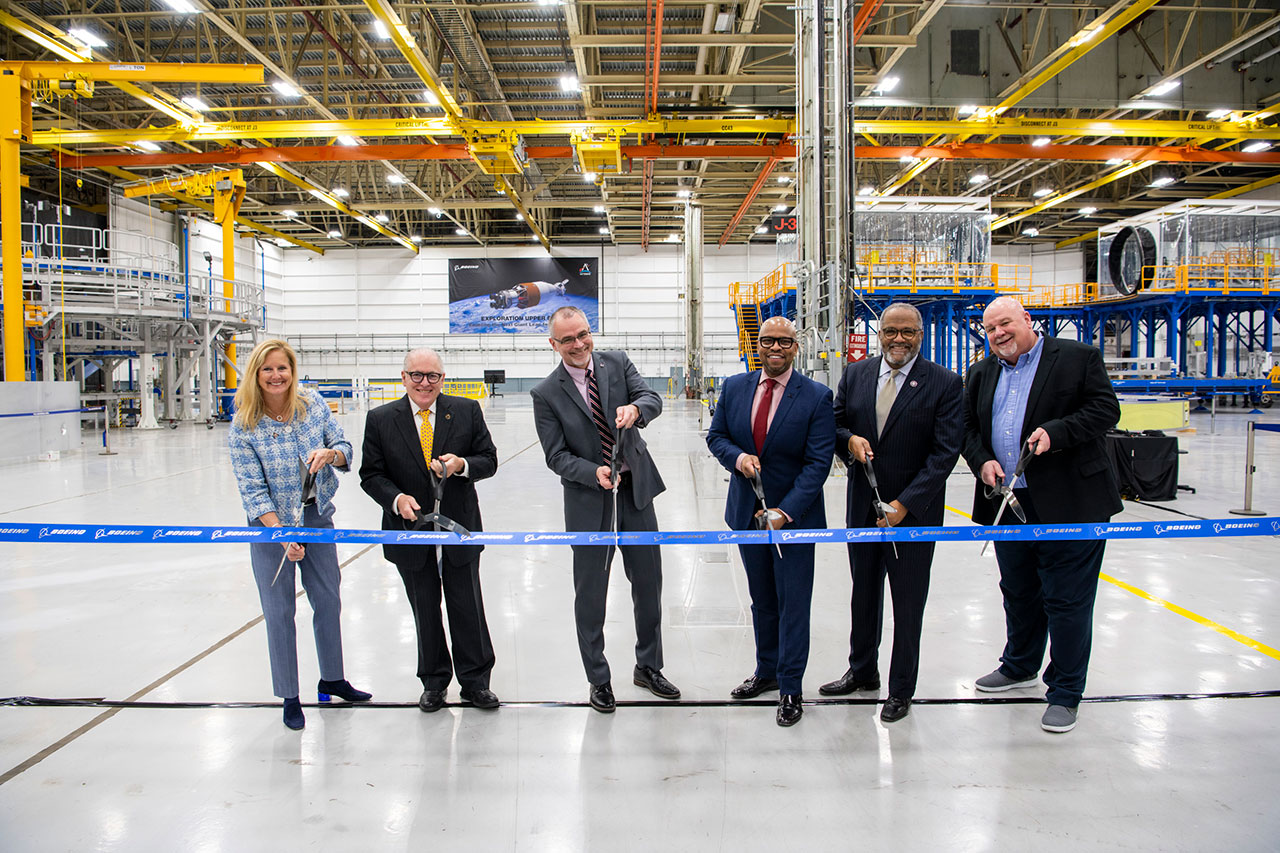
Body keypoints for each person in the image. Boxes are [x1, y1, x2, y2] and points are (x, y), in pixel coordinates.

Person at [962, 296, 1122, 734]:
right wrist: (981, 462)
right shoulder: (981, 372)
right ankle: (1019, 665)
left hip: (1071, 502)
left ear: (1027, 320)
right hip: (1008, 502)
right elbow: (968, 428)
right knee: (1018, 589)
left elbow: (1106, 410)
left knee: (1067, 599)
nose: (999, 333)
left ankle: (1066, 692)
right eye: (991, 327)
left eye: (1006, 323)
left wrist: (1056, 432)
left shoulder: (1077, 358)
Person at [530, 306, 679, 713]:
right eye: (567, 340)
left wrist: (637, 410)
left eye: (582, 334)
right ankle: (598, 678)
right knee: (590, 594)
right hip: (588, 500)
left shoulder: (616, 362)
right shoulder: (545, 392)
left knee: (649, 585)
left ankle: (648, 666)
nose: (578, 344)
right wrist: (591, 472)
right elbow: (555, 455)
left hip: (635, 493)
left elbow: (650, 396)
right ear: (553, 344)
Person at [819, 303, 963, 723]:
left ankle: (901, 688)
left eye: (908, 332)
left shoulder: (945, 383)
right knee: (863, 593)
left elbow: (944, 453)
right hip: (862, 506)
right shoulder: (857, 373)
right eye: (891, 332)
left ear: (921, 334)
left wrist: (904, 505)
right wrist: (848, 441)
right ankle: (862, 671)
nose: (899, 339)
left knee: (908, 601)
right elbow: (836, 421)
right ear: (879, 333)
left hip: (914, 514)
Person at [228, 339, 371, 731]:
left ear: (292, 371)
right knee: (280, 611)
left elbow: (344, 446)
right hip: (269, 525)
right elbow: (252, 490)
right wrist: (280, 535)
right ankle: (290, 695)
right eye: (267, 370)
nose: (276, 376)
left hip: (317, 517)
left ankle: (333, 678)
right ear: (256, 376)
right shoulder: (244, 425)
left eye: (283, 368)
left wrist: (331, 455)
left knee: (328, 599)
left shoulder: (313, 405)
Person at [706, 316, 835, 727]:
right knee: (762, 600)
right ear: (755, 345)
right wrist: (738, 458)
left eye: (784, 341)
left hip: (795, 519)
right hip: (747, 515)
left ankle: (791, 686)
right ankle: (766, 671)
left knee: (793, 603)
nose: (774, 348)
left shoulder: (816, 396)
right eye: (767, 341)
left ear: (796, 347)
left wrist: (785, 512)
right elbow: (717, 436)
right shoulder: (735, 387)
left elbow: (818, 464)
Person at [360, 348, 499, 712]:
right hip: (409, 532)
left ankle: (476, 682)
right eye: (417, 375)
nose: (425, 383)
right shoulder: (380, 419)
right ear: (403, 377)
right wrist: (396, 499)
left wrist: (462, 464)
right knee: (425, 609)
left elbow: (489, 460)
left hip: (458, 528)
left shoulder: (466, 411)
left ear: (443, 378)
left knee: (467, 607)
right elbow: (370, 475)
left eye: (432, 376)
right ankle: (434, 682)